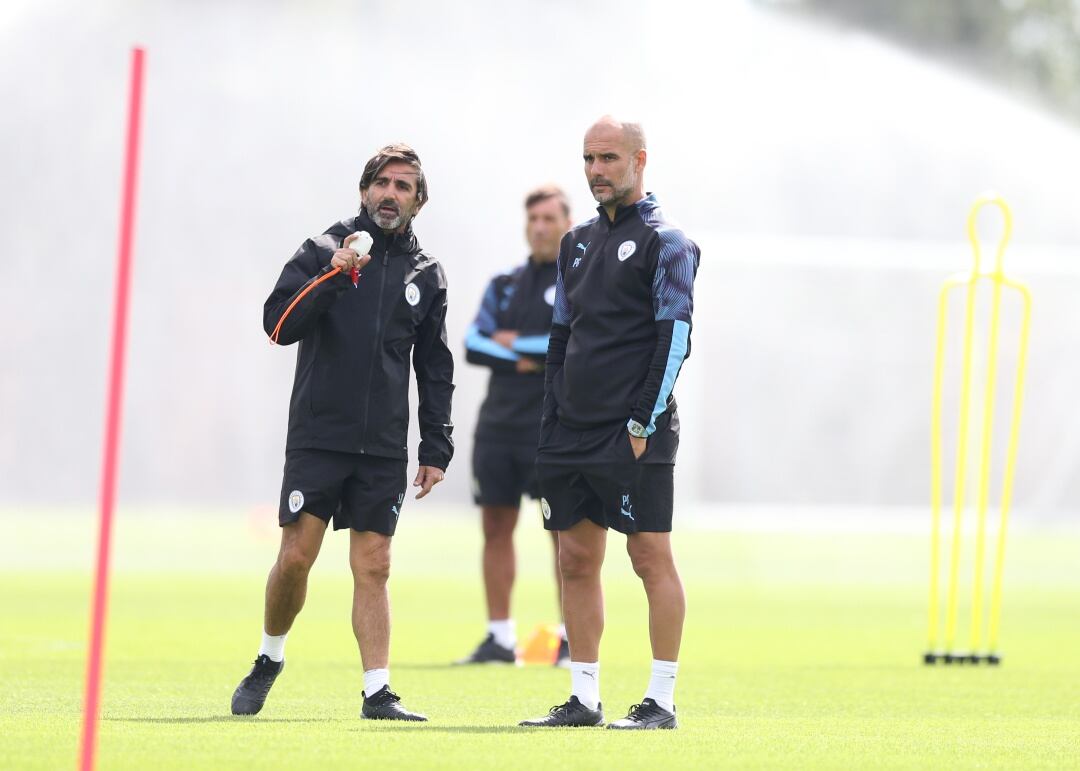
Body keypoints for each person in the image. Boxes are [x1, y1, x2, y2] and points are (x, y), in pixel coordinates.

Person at [231, 144, 454, 722]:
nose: (390, 194)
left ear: (418, 202)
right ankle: (269, 657)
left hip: (382, 446)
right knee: (296, 559)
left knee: (374, 564)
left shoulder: (426, 274)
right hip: (318, 436)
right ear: (364, 191)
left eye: (404, 187)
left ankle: (377, 692)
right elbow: (277, 325)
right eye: (382, 183)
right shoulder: (322, 249)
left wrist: (436, 445)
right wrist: (333, 277)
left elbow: (434, 366)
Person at [519, 117, 700, 730]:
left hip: (633, 429)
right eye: (589, 159)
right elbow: (560, 338)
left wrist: (642, 421)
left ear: (639, 160)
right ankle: (584, 698)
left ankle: (662, 700)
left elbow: (673, 340)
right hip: (569, 431)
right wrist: (550, 420)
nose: (596, 170)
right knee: (574, 558)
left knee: (649, 557)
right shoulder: (574, 242)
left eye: (608, 159)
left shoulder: (668, 242)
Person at [456, 186, 572, 667]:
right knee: (495, 527)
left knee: (564, 533)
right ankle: (500, 639)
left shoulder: (577, 281)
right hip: (499, 425)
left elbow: (569, 343)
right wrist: (531, 353)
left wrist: (516, 346)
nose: (540, 227)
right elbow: (473, 344)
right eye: (533, 219)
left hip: (555, 426)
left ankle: (570, 639)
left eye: (549, 218)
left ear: (567, 221)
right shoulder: (504, 283)